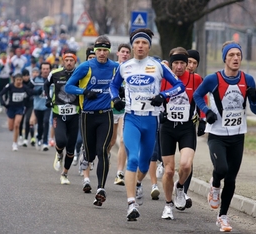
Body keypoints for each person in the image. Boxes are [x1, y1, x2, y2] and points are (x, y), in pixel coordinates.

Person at [109, 28, 185, 221]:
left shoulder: (158, 66)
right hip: (132, 118)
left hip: (151, 120)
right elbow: (113, 85)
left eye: (144, 43)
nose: (140, 46)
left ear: (149, 47)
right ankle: (131, 204)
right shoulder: (125, 67)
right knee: (132, 159)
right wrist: (115, 98)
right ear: (132, 46)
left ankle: (137, 184)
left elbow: (179, 86)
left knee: (144, 164)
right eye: (137, 43)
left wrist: (163, 96)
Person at [193, 41, 256, 232]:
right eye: (231, 55)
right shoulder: (213, 79)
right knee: (221, 169)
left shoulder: (248, 80)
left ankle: (222, 216)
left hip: (238, 135)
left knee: (231, 178)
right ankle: (214, 185)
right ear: (225, 58)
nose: (235, 58)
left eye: (238, 55)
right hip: (217, 134)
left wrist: (254, 97)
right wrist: (206, 111)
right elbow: (197, 96)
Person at [65, 36, 119, 206]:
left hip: (106, 114)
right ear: (94, 51)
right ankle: (85, 156)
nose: (102, 54)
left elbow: (124, 85)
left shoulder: (115, 68)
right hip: (87, 115)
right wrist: (84, 92)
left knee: (102, 150)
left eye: (105, 50)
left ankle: (101, 189)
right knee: (91, 152)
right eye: (99, 50)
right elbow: (68, 86)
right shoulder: (86, 67)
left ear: (109, 51)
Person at [158, 47, 202, 220]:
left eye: (182, 63)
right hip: (168, 128)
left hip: (186, 128)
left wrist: (203, 118)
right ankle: (168, 205)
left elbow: (201, 98)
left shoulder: (195, 78)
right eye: (175, 63)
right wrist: (159, 110)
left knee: (185, 165)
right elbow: (157, 96)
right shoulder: (164, 78)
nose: (179, 66)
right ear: (170, 64)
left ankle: (181, 186)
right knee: (169, 171)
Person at [44, 52, 78, 185]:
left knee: (70, 148)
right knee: (61, 140)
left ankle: (65, 174)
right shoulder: (55, 73)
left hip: (75, 114)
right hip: (58, 113)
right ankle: (58, 154)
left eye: (71, 60)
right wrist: (48, 98)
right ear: (63, 62)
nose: (69, 62)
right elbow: (46, 85)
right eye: (67, 60)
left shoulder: (80, 73)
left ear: (75, 62)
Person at [0, 73, 41, 151]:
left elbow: (31, 92)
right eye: (17, 80)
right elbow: (1, 94)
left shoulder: (24, 87)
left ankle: (14, 143)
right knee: (11, 128)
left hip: (20, 108)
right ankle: (15, 139)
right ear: (14, 80)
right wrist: (4, 104)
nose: (19, 81)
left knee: (17, 125)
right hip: (11, 108)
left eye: (20, 80)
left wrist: (40, 90)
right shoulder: (10, 86)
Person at [111, 43, 131, 186]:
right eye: (122, 52)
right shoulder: (112, 68)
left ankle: (119, 173)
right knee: (110, 142)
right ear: (117, 53)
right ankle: (103, 165)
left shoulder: (132, 69)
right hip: (111, 109)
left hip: (126, 110)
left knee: (123, 140)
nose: (125, 54)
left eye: (127, 52)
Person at [73, 46, 95, 167]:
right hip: (82, 109)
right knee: (81, 139)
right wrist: (84, 91)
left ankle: (88, 159)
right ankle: (77, 153)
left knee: (93, 140)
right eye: (90, 58)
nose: (92, 60)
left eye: (94, 57)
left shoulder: (101, 71)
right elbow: (71, 87)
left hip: (97, 111)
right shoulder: (82, 70)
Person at [33, 62, 52, 151]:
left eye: (47, 69)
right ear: (41, 70)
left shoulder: (52, 79)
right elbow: (30, 91)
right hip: (38, 106)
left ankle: (45, 142)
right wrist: (39, 91)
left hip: (47, 105)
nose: (45, 71)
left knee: (46, 121)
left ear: (50, 70)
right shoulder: (35, 80)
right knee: (40, 124)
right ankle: (39, 138)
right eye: (43, 69)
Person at [18, 69, 35, 147]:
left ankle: (26, 139)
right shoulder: (19, 83)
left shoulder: (31, 83)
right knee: (20, 121)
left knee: (28, 120)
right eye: (24, 76)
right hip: (21, 104)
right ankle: (20, 135)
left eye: (27, 75)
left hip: (30, 105)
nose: (26, 77)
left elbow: (33, 92)